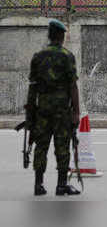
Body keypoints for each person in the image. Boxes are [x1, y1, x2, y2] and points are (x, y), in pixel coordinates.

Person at [26, 19, 81, 196]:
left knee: (41, 146)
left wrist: (30, 114)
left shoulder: (38, 57)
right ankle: (61, 185)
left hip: (42, 110)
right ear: (60, 35)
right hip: (61, 111)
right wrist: (76, 112)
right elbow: (73, 86)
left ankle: (38, 184)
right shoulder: (67, 56)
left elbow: (32, 87)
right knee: (62, 146)